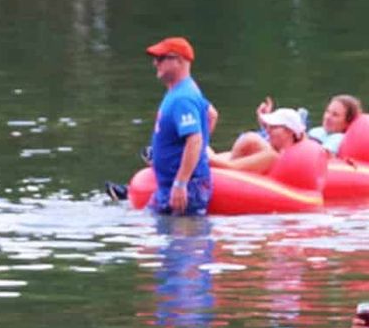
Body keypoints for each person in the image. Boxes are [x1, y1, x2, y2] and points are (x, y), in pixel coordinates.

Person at [125, 36, 216, 214]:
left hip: (185, 187)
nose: (155, 63)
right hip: (171, 186)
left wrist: (181, 182)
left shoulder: (183, 97)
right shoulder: (184, 90)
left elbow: (194, 139)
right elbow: (211, 114)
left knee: (184, 240)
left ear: (179, 61)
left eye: (161, 58)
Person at [209, 106, 306, 176]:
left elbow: (231, 168)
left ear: (289, 131)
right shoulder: (289, 153)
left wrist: (203, 158)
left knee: (250, 139)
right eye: (268, 126)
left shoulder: (272, 156)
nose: (268, 130)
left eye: (274, 127)